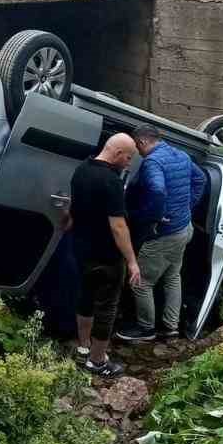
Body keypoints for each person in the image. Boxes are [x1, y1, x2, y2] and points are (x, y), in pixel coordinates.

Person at [117, 128, 207, 342]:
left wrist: (153, 217)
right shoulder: (182, 155)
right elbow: (201, 179)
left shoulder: (153, 163)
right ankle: (171, 328)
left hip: (165, 235)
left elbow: (157, 191)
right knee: (172, 277)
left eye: (136, 147)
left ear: (142, 141)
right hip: (185, 229)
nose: (136, 152)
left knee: (141, 281)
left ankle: (146, 329)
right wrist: (186, 208)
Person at [65, 133, 140, 379]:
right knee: (106, 307)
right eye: (128, 158)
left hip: (81, 248)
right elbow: (118, 226)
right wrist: (131, 261)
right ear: (118, 154)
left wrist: (65, 226)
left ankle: (83, 347)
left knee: (85, 297)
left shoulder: (81, 170)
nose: (128, 163)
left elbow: (72, 210)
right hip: (106, 256)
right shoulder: (111, 182)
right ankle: (97, 362)